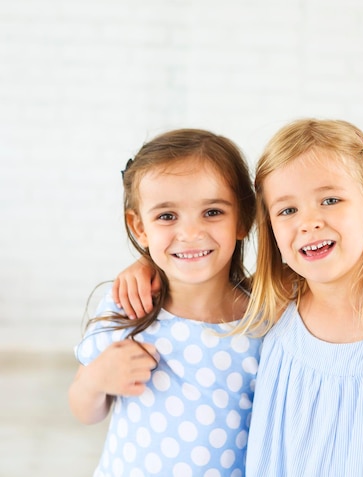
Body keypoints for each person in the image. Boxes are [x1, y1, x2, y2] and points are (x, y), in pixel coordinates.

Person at [113, 119, 363, 476]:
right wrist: (148, 265)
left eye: (330, 200)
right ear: (270, 226)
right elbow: (200, 281)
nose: (309, 222)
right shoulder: (277, 303)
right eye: (287, 210)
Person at [68, 128, 262, 477]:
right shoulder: (129, 307)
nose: (190, 233)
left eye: (213, 212)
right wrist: (95, 381)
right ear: (140, 227)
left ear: (243, 219)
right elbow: (84, 410)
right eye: (167, 216)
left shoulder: (265, 323)